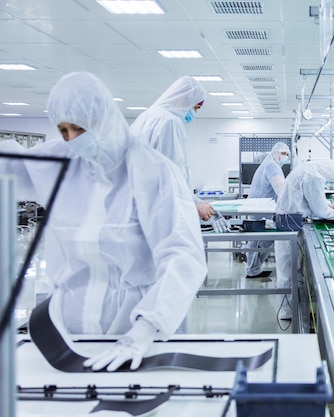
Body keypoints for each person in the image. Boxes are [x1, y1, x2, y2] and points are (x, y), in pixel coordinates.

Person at [0, 72, 207, 371]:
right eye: (63, 130)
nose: (71, 139)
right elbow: (11, 167)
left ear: (104, 119)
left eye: (79, 128)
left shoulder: (153, 171)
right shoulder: (60, 161)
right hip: (67, 334)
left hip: (137, 333)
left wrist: (146, 329)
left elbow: (183, 255)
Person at [130, 76, 229, 232]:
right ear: (186, 101)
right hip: (161, 212)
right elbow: (171, 175)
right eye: (196, 108)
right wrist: (196, 203)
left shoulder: (147, 117)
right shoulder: (169, 122)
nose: (194, 113)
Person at [274, 160, 334, 320]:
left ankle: (292, 308)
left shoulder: (308, 169)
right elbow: (319, 209)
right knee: (290, 269)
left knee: (291, 269)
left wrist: (327, 204)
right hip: (291, 225)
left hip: (290, 221)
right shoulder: (313, 176)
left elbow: (310, 198)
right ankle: (288, 311)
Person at [245, 142, 290, 278]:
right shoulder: (272, 165)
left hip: (259, 208)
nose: (286, 157)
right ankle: (252, 269)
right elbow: (280, 189)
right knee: (261, 240)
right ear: (275, 152)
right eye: (283, 154)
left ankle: (253, 268)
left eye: (287, 155)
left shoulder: (270, 163)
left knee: (259, 239)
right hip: (261, 210)